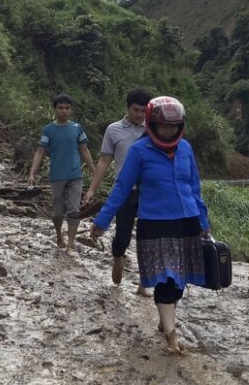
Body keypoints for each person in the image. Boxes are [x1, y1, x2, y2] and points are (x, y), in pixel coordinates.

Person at [90, 96, 211, 353]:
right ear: (151, 125)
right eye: (163, 126)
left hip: (187, 222)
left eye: (174, 126)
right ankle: (171, 334)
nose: (168, 130)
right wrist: (102, 220)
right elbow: (122, 188)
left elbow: (195, 187)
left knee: (179, 280)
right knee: (166, 279)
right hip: (155, 225)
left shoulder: (186, 148)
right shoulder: (139, 151)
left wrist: (203, 220)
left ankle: (165, 318)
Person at [83, 88, 153, 296]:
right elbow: (105, 160)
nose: (139, 115)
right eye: (135, 110)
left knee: (147, 236)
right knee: (122, 235)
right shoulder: (114, 130)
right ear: (127, 108)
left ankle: (144, 282)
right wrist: (92, 188)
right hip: (124, 191)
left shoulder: (154, 130)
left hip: (148, 191)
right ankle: (117, 257)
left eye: (143, 111)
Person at [28, 94, 97, 254]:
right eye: (60, 108)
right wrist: (32, 173)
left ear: (70, 109)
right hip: (57, 175)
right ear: (55, 109)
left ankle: (70, 244)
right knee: (58, 213)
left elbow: (84, 150)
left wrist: (95, 172)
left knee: (74, 210)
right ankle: (59, 234)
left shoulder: (77, 128)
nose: (64, 111)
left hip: (75, 175)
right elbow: (40, 152)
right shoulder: (48, 130)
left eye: (67, 108)